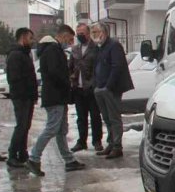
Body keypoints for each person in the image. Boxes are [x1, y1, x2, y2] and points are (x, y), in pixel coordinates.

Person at [27, 25, 86, 176]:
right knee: (52, 128)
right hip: (55, 96)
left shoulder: (52, 49)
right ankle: (34, 157)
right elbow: (55, 73)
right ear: (64, 35)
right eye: (70, 39)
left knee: (61, 130)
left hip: (58, 96)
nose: (70, 42)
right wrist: (67, 82)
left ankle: (68, 160)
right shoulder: (53, 50)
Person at [90, 22, 134, 160]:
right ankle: (110, 143)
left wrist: (108, 86)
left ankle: (117, 146)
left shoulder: (114, 45)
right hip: (100, 88)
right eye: (93, 33)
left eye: (96, 32)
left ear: (104, 32)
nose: (94, 35)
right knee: (107, 118)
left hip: (111, 89)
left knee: (114, 118)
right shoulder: (98, 48)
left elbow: (117, 66)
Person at [5, 28, 38, 168]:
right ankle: (12, 155)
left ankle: (22, 153)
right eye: (30, 38)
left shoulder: (24, 54)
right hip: (21, 97)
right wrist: (25, 93)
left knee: (26, 126)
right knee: (21, 125)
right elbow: (14, 78)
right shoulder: (15, 55)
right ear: (23, 38)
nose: (32, 41)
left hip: (28, 96)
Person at [68, 22, 104, 152]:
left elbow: (99, 68)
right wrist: (72, 78)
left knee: (95, 116)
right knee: (81, 117)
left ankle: (97, 141)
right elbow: (70, 67)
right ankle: (81, 141)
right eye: (78, 33)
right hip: (78, 88)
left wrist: (95, 83)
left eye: (82, 33)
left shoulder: (96, 48)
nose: (79, 35)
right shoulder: (75, 49)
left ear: (88, 33)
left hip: (91, 88)